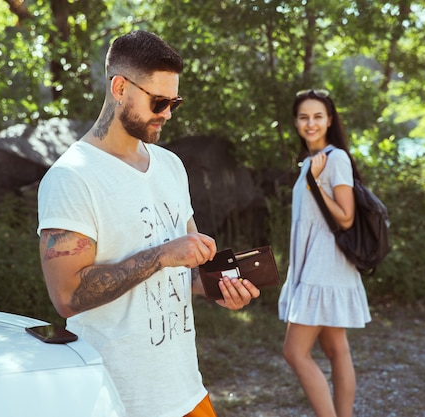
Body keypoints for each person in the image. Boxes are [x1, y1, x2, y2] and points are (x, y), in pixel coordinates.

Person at [36, 30, 260, 417]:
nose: (168, 113)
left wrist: (216, 289)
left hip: (186, 391)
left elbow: (182, 275)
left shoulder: (170, 166)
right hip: (117, 400)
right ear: (120, 87)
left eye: (175, 102)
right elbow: (68, 297)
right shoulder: (71, 177)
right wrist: (160, 255)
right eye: (159, 101)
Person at [278, 89, 371, 417]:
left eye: (318, 116)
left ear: (330, 120)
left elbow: (346, 218)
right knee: (335, 349)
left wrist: (316, 184)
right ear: (295, 122)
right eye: (304, 117)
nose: (311, 123)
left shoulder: (336, 159)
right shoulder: (310, 163)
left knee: (294, 352)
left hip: (326, 268)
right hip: (314, 267)